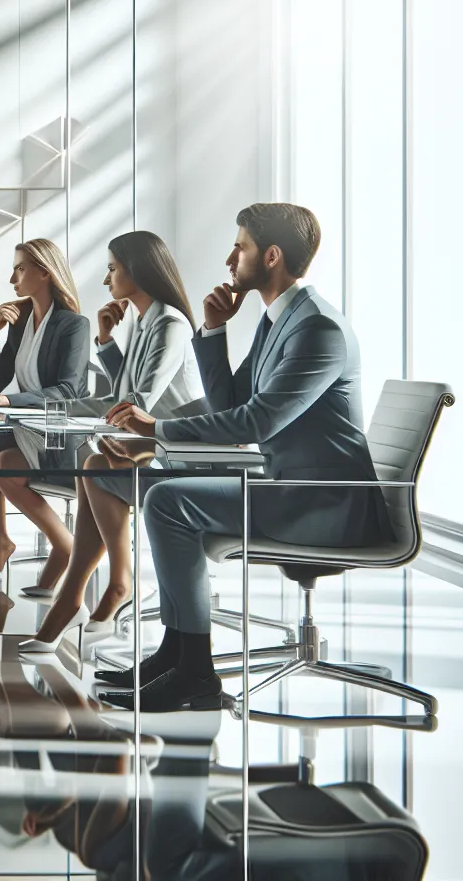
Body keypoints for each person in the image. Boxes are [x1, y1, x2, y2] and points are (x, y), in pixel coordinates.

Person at [96, 203, 385, 712]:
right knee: (162, 493)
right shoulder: (281, 322)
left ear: (271, 256)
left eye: (242, 246)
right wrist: (213, 330)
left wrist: (156, 426)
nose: (231, 258)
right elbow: (231, 403)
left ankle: (194, 670)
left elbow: (258, 422)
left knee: (167, 501)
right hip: (289, 485)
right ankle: (176, 654)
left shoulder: (317, 329)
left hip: (322, 502)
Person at [18, 231, 207, 653]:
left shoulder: (171, 324)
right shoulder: (145, 321)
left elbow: (137, 404)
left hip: (183, 456)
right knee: (95, 468)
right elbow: (124, 395)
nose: (107, 281)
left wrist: (67, 415)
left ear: (137, 270)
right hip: (153, 450)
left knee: (96, 468)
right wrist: (105, 341)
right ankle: (104, 589)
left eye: (112, 269)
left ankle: (84, 595)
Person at [0, 237, 92, 582]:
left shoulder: (74, 325)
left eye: (20, 269)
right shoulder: (23, 323)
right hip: (28, 426)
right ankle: (1, 543)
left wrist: (4, 403)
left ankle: (64, 544)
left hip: (60, 435)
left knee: (3, 462)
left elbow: (68, 391)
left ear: (45, 272)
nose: (13, 280)